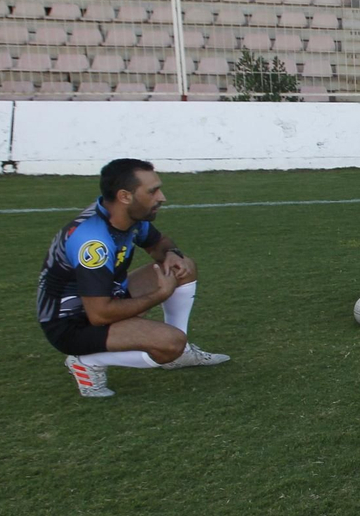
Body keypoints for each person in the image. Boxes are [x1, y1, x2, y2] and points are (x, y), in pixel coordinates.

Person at [35, 158, 228, 399]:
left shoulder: (129, 219)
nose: (162, 197)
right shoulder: (93, 240)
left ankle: (179, 354)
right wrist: (159, 294)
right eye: (152, 191)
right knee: (169, 343)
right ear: (125, 196)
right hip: (71, 324)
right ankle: (86, 361)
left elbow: (159, 243)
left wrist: (171, 254)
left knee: (184, 266)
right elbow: (100, 314)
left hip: (104, 299)